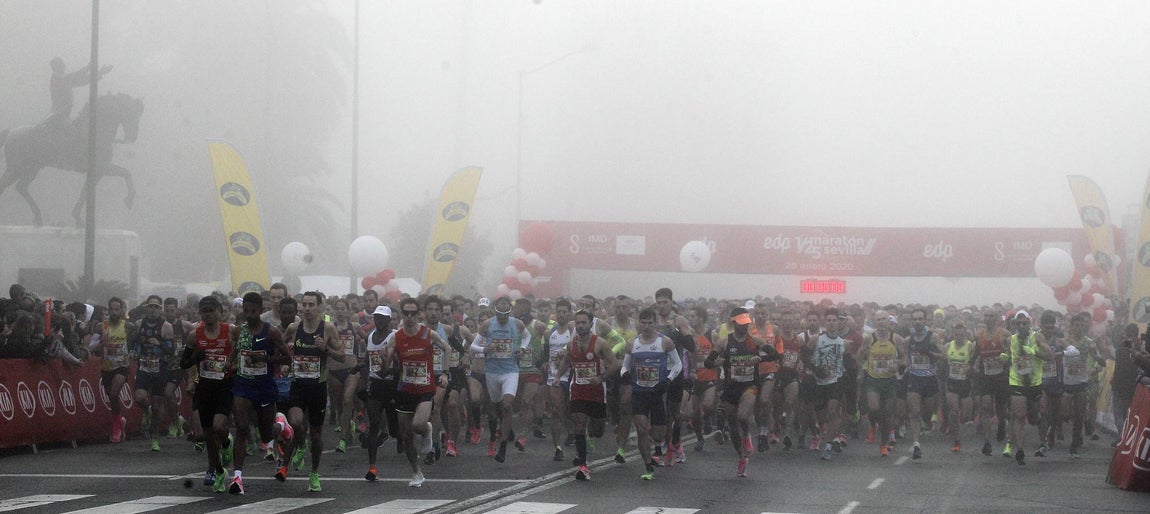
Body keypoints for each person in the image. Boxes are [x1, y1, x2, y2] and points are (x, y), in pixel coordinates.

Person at [276, 291, 345, 492]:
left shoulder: (328, 328)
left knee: (316, 436)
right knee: (296, 422)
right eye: (304, 305)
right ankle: (295, 451)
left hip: (317, 388)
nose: (306, 308)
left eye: (311, 305)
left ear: (320, 307)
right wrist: (288, 363)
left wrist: (326, 349)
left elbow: (342, 356)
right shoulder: (294, 328)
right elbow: (279, 346)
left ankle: (314, 472)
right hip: (298, 386)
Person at [383, 298, 456, 487]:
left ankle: (428, 430)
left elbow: (447, 349)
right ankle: (416, 472)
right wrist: (386, 356)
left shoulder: (427, 334)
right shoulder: (396, 337)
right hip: (405, 389)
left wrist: (446, 373)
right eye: (405, 313)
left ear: (418, 315)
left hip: (425, 389)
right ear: (401, 315)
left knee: (418, 425)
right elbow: (386, 364)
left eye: (412, 313)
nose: (409, 317)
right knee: (406, 435)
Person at [226, 292, 293, 495]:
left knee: (266, 435)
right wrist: (229, 363)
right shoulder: (239, 331)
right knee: (242, 427)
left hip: (264, 387)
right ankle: (237, 477)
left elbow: (287, 358)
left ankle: (281, 425)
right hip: (244, 385)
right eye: (245, 310)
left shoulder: (271, 332)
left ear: (260, 310)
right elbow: (235, 352)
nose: (249, 314)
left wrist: (266, 359)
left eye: (253, 311)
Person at [705, 307, 777, 477]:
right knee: (732, 425)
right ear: (734, 322)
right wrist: (717, 362)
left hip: (749, 386)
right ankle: (741, 457)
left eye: (747, 324)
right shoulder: (723, 342)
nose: (745, 327)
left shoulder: (755, 341)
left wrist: (761, 358)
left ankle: (747, 436)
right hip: (731, 387)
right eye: (741, 324)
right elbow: (708, 362)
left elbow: (774, 355)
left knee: (743, 417)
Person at [555, 308, 619, 481]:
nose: (581, 326)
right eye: (578, 323)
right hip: (578, 389)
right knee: (579, 423)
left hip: (597, 391)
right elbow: (566, 361)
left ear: (591, 324)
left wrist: (601, 377)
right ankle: (583, 465)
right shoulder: (571, 344)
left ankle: (592, 433)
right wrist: (558, 377)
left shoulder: (600, 343)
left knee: (597, 430)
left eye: (584, 323)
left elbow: (615, 364)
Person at [179, 296, 234, 493]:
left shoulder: (231, 331)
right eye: (205, 311)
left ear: (220, 311)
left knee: (219, 426)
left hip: (225, 385)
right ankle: (217, 469)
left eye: (212, 310)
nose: (208, 314)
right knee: (208, 434)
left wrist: (233, 363)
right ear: (200, 313)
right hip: (204, 386)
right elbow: (183, 363)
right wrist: (196, 357)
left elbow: (241, 352)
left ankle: (227, 443)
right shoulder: (195, 335)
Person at [621, 307, 683, 480]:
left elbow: (678, 364)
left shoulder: (665, 342)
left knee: (658, 433)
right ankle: (648, 465)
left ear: (655, 323)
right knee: (641, 428)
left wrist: (668, 380)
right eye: (643, 323)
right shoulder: (632, 343)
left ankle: (659, 446)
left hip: (657, 392)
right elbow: (625, 365)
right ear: (638, 323)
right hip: (639, 392)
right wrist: (624, 374)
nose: (646, 326)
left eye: (650, 323)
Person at [469, 295, 530, 463]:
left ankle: (502, 447)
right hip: (492, 371)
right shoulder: (488, 325)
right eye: (499, 314)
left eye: (506, 314)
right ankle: (506, 429)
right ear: (495, 311)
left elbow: (527, 337)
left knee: (507, 405)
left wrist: (523, 349)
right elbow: (473, 346)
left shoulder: (517, 323)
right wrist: (485, 349)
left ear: (509, 311)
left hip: (510, 370)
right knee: (496, 407)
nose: (503, 317)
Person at [1006, 310, 1055, 466]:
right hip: (1017, 381)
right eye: (1018, 323)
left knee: (1033, 418)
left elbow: (1050, 356)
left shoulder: (1037, 337)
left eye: (1025, 323)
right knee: (1019, 416)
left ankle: (1040, 426)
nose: (1021, 326)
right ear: (1014, 324)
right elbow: (1008, 355)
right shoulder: (1010, 339)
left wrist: (1035, 352)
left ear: (1030, 323)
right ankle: (1020, 450)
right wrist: (1004, 358)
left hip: (1034, 383)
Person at [804, 308, 848, 461]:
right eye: (828, 320)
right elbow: (804, 356)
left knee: (833, 411)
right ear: (825, 322)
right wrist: (816, 369)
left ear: (839, 322)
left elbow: (849, 363)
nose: (831, 323)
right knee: (821, 415)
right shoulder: (816, 339)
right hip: (818, 382)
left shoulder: (843, 342)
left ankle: (829, 445)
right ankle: (825, 431)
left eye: (834, 320)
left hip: (836, 381)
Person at [92, 297, 138, 444]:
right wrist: (101, 343)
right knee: (112, 398)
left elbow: (136, 342)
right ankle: (119, 420)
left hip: (122, 366)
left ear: (122, 310)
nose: (114, 312)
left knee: (114, 392)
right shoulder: (101, 326)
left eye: (117, 309)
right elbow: (90, 346)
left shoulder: (128, 326)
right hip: (107, 367)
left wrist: (134, 353)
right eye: (111, 309)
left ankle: (115, 427)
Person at [857, 311, 901, 457]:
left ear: (889, 322)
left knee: (888, 414)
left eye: (884, 319)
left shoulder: (896, 338)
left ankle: (883, 444)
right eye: (878, 320)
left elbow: (906, 357)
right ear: (875, 322)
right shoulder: (869, 338)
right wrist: (861, 371)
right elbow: (859, 355)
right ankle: (872, 425)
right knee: (874, 408)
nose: (881, 322)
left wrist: (899, 365)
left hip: (890, 381)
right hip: (873, 380)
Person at [134, 295, 174, 452]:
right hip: (144, 367)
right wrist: (133, 351)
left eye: (156, 307)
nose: (153, 310)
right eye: (150, 306)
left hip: (160, 370)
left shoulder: (166, 327)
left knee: (157, 407)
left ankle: (155, 437)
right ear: (146, 308)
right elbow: (134, 342)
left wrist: (160, 344)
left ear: (160, 309)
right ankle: (146, 410)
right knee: (140, 397)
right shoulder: (139, 324)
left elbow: (171, 350)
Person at [329, 298, 367, 453]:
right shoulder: (329, 327)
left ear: (348, 310)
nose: (340, 311)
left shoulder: (355, 326)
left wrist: (363, 357)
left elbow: (368, 340)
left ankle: (343, 439)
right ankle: (348, 425)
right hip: (333, 370)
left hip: (351, 369)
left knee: (347, 399)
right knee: (338, 405)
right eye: (337, 308)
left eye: (343, 308)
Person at [361, 305, 395, 481]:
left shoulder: (395, 336)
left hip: (393, 385)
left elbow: (401, 362)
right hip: (376, 384)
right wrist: (361, 368)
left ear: (389, 320)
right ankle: (372, 467)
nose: (379, 321)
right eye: (376, 317)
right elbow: (368, 360)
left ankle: (399, 439)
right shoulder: (369, 337)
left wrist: (389, 370)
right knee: (373, 423)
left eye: (382, 318)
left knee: (397, 430)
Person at [903, 308, 942, 460]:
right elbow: (905, 358)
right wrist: (901, 366)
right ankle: (916, 444)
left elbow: (944, 355)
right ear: (912, 321)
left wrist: (930, 353)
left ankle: (926, 422)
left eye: (920, 319)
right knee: (914, 412)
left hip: (930, 378)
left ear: (925, 320)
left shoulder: (933, 337)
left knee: (926, 413)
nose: (918, 322)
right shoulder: (908, 340)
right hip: (914, 378)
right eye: (915, 319)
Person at [973, 309, 1011, 456]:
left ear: (997, 319)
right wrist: (969, 367)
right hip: (986, 376)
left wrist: (1005, 357)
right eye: (986, 316)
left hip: (1001, 377)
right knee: (986, 406)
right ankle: (987, 442)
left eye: (991, 316)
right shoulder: (979, 336)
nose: (988, 319)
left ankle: (1002, 424)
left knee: (1002, 409)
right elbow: (975, 354)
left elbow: (1011, 352)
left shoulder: (1004, 334)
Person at [45, 57, 112, 132]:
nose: (64, 66)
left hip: (63, 115)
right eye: (61, 64)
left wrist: (99, 73)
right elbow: (75, 78)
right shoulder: (57, 78)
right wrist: (88, 68)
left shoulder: (62, 78)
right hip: (59, 115)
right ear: (56, 67)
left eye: (63, 64)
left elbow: (81, 80)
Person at [943, 322, 976, 453]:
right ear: (952, 333)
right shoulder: (947, 346)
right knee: (953, 411)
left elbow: (976, 363)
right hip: (952, 382)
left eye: (961, 334)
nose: (958, 336)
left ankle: (957, 428)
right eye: (956, 334)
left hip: (966, 384)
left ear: (965, 333)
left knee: (965, 417)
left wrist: (970, 368)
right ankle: (956, 439)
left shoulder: (970, 346)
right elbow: (943, 362)